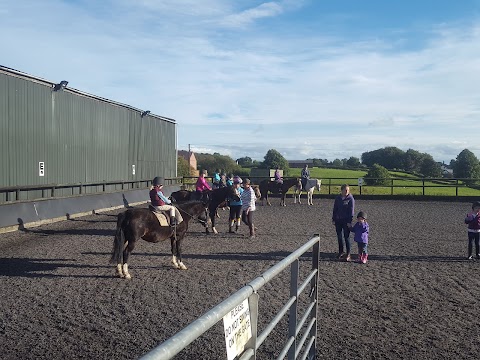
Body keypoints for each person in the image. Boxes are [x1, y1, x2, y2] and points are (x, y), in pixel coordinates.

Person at [332, 184, 355, 261]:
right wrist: (334, 219)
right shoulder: (338, 198)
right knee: (339, 237)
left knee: (346, 237)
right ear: (341, 190)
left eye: (348, 190)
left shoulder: (350, 199)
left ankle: (348, 253)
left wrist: (349, 221)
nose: (347, 191)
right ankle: (341, 251)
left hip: (346, 221)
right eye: (345, 190)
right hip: (338, 220)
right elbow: (335, 209)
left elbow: (351, 211)